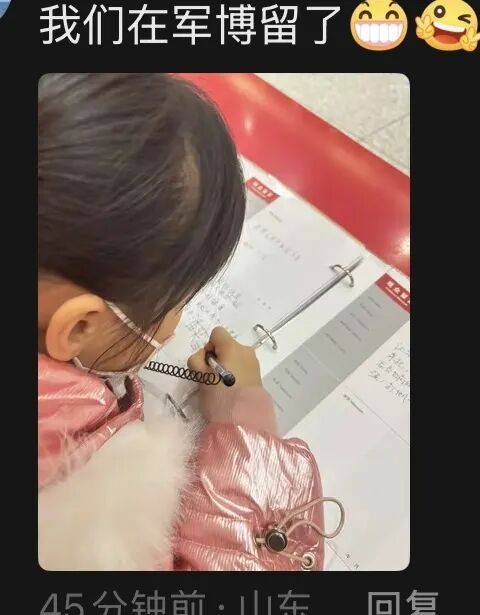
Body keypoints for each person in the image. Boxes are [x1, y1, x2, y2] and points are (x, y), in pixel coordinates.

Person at [37, 73, 338, 570]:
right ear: (80, 327)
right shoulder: (80, 514)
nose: (176, 325)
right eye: (177, 303)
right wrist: (246, 429)